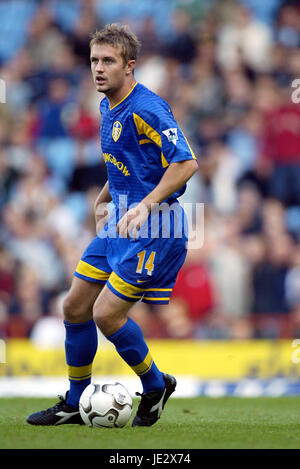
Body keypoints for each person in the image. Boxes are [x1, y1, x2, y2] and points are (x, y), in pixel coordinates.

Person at [27, 24, 198, 427]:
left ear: (130, 66)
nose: (98, 69)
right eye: (94, 61)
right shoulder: (106, 106)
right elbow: (131, 161)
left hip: (157, 227)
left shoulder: (148, 108)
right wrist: (107, 194)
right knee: (74, 305)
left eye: (108, 61)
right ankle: (74, 400)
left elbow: (186, 163)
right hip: (120, 222)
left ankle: (155, 386)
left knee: (106, 314)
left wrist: (146, 204)